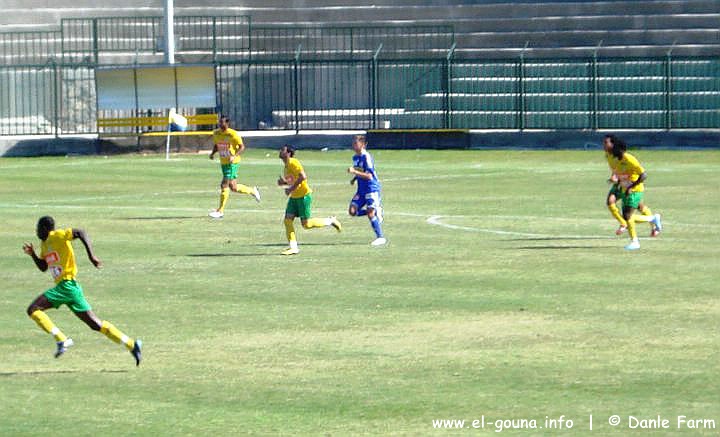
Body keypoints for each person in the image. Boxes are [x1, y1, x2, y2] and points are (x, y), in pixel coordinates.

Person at [23, 216, 142, 365]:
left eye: (38, 228)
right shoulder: (44, 244)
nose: (37, 232)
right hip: (70, 289)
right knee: (95, 324)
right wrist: (33, 254)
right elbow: (43, 267)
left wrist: (91, 256)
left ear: (46, 228)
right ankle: (132, 344)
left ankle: (62, 340)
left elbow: (80, 232)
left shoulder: (58, 235)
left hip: (66, 285)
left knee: (33, 309)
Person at [277, 144, 342, 255]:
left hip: (303, 196)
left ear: (288, 153)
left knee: (306, 224)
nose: (280, 151)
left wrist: (290, 188)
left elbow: (303, 176)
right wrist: (284, 183)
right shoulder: (286, 166)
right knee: (287, 221)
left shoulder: (293, 162)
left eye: (283, 150)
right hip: (294, 197)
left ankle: (330, 221)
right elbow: (294, 179)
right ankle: (293, 247)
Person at [609, 139, 663, 250]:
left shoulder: (630, 159)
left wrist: (631, 187)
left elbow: (643, 175)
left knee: (628, 216)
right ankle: (651, 220)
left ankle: (635, 241)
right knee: (627, 216)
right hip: (625, 190)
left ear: (619, 149)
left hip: (635, 190)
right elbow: (621, 174)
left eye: (614, 148)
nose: (611, 150)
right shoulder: (617, 160)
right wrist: (616, 180)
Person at [603, 135, 658, 237]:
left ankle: (653, 223)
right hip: (621, 183)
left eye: (606, 143)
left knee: (637, 208)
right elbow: (615, 169)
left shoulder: (627, 158)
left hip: (631, 184)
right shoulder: (608, 155)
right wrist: (613, 177)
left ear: (613, 144)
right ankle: (623, 224)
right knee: (610, 201)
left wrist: (631, 186)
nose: (604, 145)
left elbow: (643, 174)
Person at [208, 115, 261, 218]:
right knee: (233, 187)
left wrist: (234, 156)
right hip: (223, 162)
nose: (221, 125)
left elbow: (242, 147)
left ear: (227, 124)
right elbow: (216, 145)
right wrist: (212, 153)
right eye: (220, 123)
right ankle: (252, 190)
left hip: (233, 163)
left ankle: (220, 211)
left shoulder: (233, 134)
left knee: (224, 184)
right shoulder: (216, 133)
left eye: (223, 123)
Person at [347, 135, 386, 246]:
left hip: (371, 188)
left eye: (356, 143)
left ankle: (380, 237)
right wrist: (354, 179)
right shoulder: (355, 157)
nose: (354, 145)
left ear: (363, 145)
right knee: (352, 211)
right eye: (353, 143)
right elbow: (361, 171)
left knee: (370, 214)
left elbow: (369, 176)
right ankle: (376, 211)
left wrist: (354, 172)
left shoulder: (366, 157)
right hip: (361, 190)